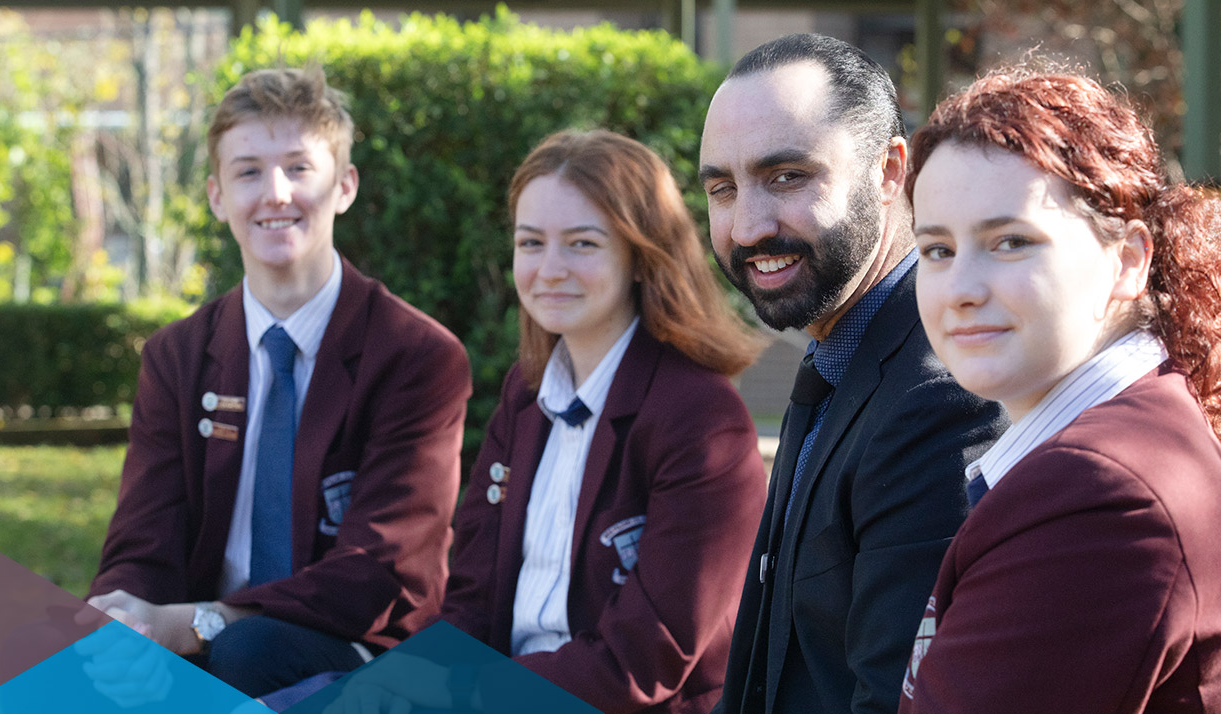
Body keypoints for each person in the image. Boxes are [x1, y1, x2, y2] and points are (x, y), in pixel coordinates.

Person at [313, 129, 770, 714]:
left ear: (640, 257)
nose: (549, 269)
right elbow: (471, 599)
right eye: (531, 243)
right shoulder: (525, 396)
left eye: (581, 244)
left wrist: (464, 692)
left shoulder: (703, 421)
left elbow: (643, 661)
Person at [83, 65, 473, 698]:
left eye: (298, 168)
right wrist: (122, 623)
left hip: (362, 646)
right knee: (49, 649)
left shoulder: (417, 357)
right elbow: (142, 542)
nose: (275, 193)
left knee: (247, 650)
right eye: (247, 172)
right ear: (216, 196)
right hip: (202, 631)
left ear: (344, 185)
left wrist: (198, 625)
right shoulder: (176, 356)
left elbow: (376, 573)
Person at [696, 34, 1007, 714]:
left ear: (891, 170)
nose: (748, 226)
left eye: (787, 177)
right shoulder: (839, 353)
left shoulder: (939, 396)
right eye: (723, 187)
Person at [898, 67, 1221, 714]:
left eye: (1010, 242)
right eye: (936, 250)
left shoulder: (1102, 491)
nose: (961, 287)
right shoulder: (1121, 438)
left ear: (1128, 259)